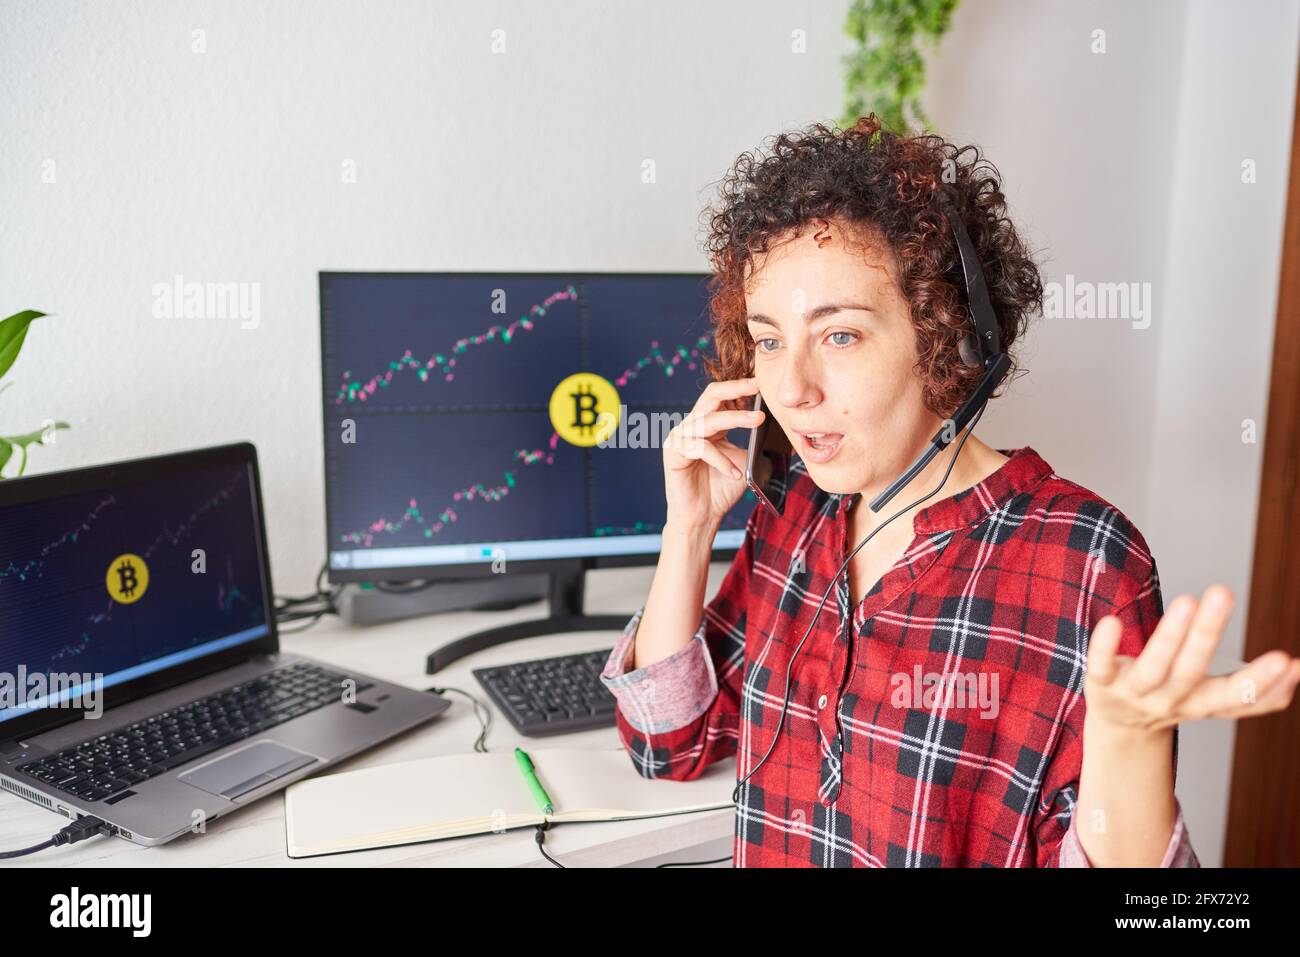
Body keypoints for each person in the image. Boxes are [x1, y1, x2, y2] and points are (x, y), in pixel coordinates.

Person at [599, 114, 1300, 867]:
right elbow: (667, 744)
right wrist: (690, 529)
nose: (792, 390)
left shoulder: (1084, 560)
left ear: (947, 336)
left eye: (839, 335)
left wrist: (1128, 746)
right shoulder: (799, 510)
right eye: (770, 340)